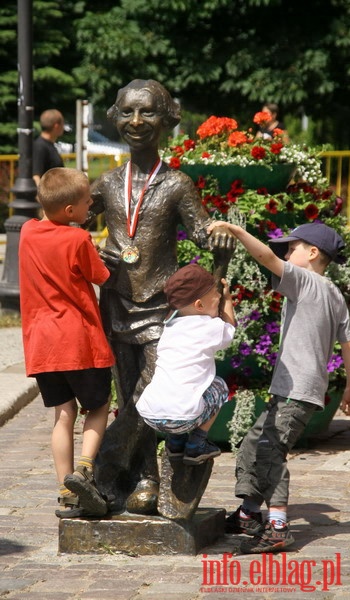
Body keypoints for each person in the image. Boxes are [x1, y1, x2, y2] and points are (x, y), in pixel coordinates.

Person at [87, 79, 235, 514]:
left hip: (161, 309)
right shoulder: (108, 183)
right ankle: (146, 482)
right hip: (116, 303)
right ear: (115, 118)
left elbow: (205, 235)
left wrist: (220, 246)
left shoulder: (176, 185)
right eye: (128, 112)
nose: (137, 122)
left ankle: (98, 472)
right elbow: (67, 218)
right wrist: (85, 251)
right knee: (129, 393)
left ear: (167, 120)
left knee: (152, 396)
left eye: (148, 112)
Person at [207, 219, 350, 553]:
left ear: (313, 252)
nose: (286, 254)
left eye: (292, 249)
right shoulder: (334, 293)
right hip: (299, 391)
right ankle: (249, 513)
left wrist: (235, 231)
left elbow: (265, 257)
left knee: (270, 450)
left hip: (296, 390)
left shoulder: (305, 280)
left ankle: (277, 523)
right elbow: (349, 344)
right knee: (252, 444)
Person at [19, 167, 115, 519]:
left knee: (63, 415)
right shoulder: (77, 240)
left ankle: (66, 493)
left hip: (42, 343)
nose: (92, 204)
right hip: (79, 340)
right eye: (88, 201)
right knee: (99, 406)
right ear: (72, 213)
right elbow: (101, 276)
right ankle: (85, 470)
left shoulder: (28, 232)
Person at [136, 263, 236, 465]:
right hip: (184, 417)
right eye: (216, 300)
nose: (219, 302)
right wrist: (228, 300)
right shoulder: (210, 327)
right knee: (220, 386)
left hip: (151, 414)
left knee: (179, 392)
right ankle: (196, 445)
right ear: (199, 305)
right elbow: (230, 329)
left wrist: (218, 299)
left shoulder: (170, 326)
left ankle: (175, 444)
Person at [33, 109, 65, 185]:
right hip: (46, 196)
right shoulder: (40, 146)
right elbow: (36, 177)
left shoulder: (49, 145)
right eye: (63, 124)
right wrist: (41, 196)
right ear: (56, 126)